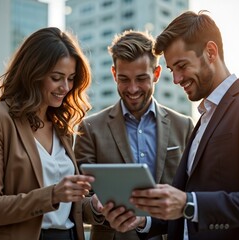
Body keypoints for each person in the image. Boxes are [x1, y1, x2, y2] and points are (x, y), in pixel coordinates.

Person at [100, 11, 239, 240]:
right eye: (173, 70)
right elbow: (188, 204)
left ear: (211, 52)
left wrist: (189, 203)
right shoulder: (204, 118)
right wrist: (144, 221)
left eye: (182, 66)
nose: (177, 79)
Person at [0, 27, 98, 240]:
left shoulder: (62, 127)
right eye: (57, 77)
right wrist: (52, 194)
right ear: (33, 74)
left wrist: (93, 206)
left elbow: (67, 208)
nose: (65, 87)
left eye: (71, 78)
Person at [74, 30, 194, 240]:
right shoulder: (90, 128)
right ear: (113, 74)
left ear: (156, 74)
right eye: (123, 79)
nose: (132, 89)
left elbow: (192, 196)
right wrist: (95, 207)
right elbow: (76, 202)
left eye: (141, 79)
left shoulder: (183, 126)